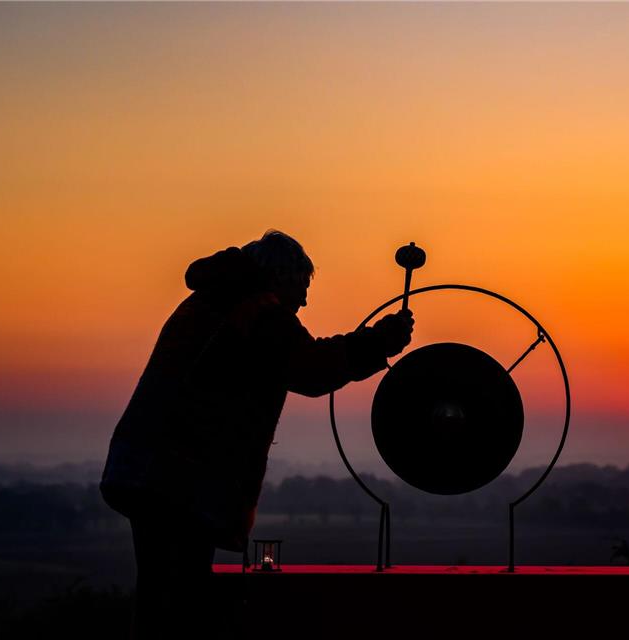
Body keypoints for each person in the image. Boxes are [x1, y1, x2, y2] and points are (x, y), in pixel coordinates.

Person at [100, 230, 413, 638]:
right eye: (300, 288)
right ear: (279, 280)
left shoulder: (212, 300)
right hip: (179, 479)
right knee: (178, 600)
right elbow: (310, 367)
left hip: (149, 468)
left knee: (164, 594)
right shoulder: (256, 311)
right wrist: (378, 342)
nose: (303, 302)